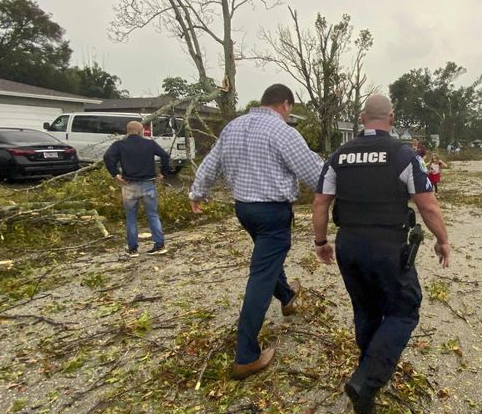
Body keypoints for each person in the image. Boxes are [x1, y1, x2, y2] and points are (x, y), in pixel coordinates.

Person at [313, 95, 451, 414]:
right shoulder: (403, 154)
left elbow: (320, 204)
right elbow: (427, 205)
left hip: (349, 245)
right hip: (387, 246)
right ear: (391, 117)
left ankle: (366, 370)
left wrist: (321, 242)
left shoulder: (339, 155)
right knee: (404, 311)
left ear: (362, 118)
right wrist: (443, 239)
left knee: (366, 309)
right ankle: (367, 381)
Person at [189, 83, 323, 380]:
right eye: (291, 110)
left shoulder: (233, 126)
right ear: (286, 105)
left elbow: (211, 163)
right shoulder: (283, 132)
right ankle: (245, 356)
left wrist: (198, 192)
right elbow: (314, 173)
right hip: (272, 212)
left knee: (267, 260)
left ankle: (287, 297)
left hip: (245, 210)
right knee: (261, 275)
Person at [103, 121, 173, 257]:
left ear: (128, 131)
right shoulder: (149, 143)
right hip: (148, 183)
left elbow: (108, 157)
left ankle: (133, 249)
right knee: (153, 215)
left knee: (131, 217)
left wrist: (115, 174)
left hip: (129, 184)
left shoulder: (119, 145)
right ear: (140, 131)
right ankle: (159, 245)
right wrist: (164, 173)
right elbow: (165, 155)